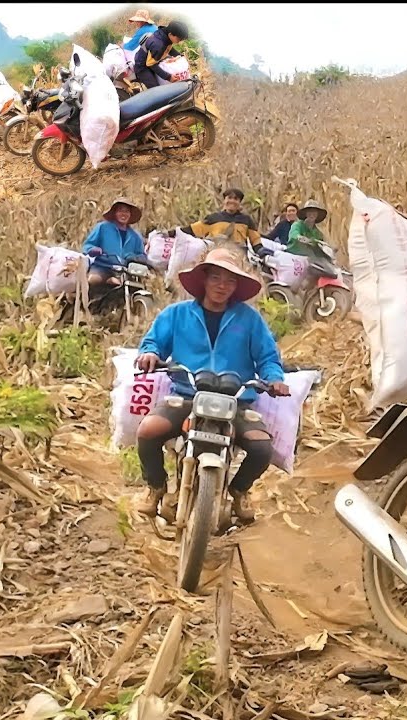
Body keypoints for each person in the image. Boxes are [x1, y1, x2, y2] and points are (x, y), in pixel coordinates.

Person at [133, 247, 291, 523]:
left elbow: (268, 357)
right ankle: (155, 487)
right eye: (216, 277)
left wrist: (275, 379)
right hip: (187, 394)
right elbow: (153, 343)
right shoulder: (176, 314)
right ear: (204, 280)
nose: (222, 286)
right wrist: (150, 354)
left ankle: (239, 491)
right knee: (148, 430)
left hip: (236, 399)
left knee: (262, 447)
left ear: (236, 286)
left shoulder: (250, 319)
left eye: (230, 281)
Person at [83, 197, 149, 288]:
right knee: (94, 280)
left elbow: (142, 255)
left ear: (130, 215)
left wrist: (133, 257)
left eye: (126, 211)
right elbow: (87, 245)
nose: (123, 214)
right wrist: (93, 249)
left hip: (126, 270)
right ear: (115, 213)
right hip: (103, 266)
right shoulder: (102, 227)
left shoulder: (135, 236)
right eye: (120, 211)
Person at [182, 187, 263, 255]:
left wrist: (263, 254)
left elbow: (255, 241)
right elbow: (192, 229)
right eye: (229, 198)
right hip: (216, 256)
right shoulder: (213, 218)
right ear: (224, 200)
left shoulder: (246, 220)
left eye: (236, 199)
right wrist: (172, 233)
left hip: (239, 258)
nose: (232, 201)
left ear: (239, 202)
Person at [133, 20, 189, 89]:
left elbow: (169, 48)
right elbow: (150, 64)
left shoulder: (165, 35)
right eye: (179, 39)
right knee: (156, 89)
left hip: (153, 59)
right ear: (170, 34)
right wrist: (168, 77)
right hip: (142, 66)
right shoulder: (158, 45)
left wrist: (179, 56)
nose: (179, 42)